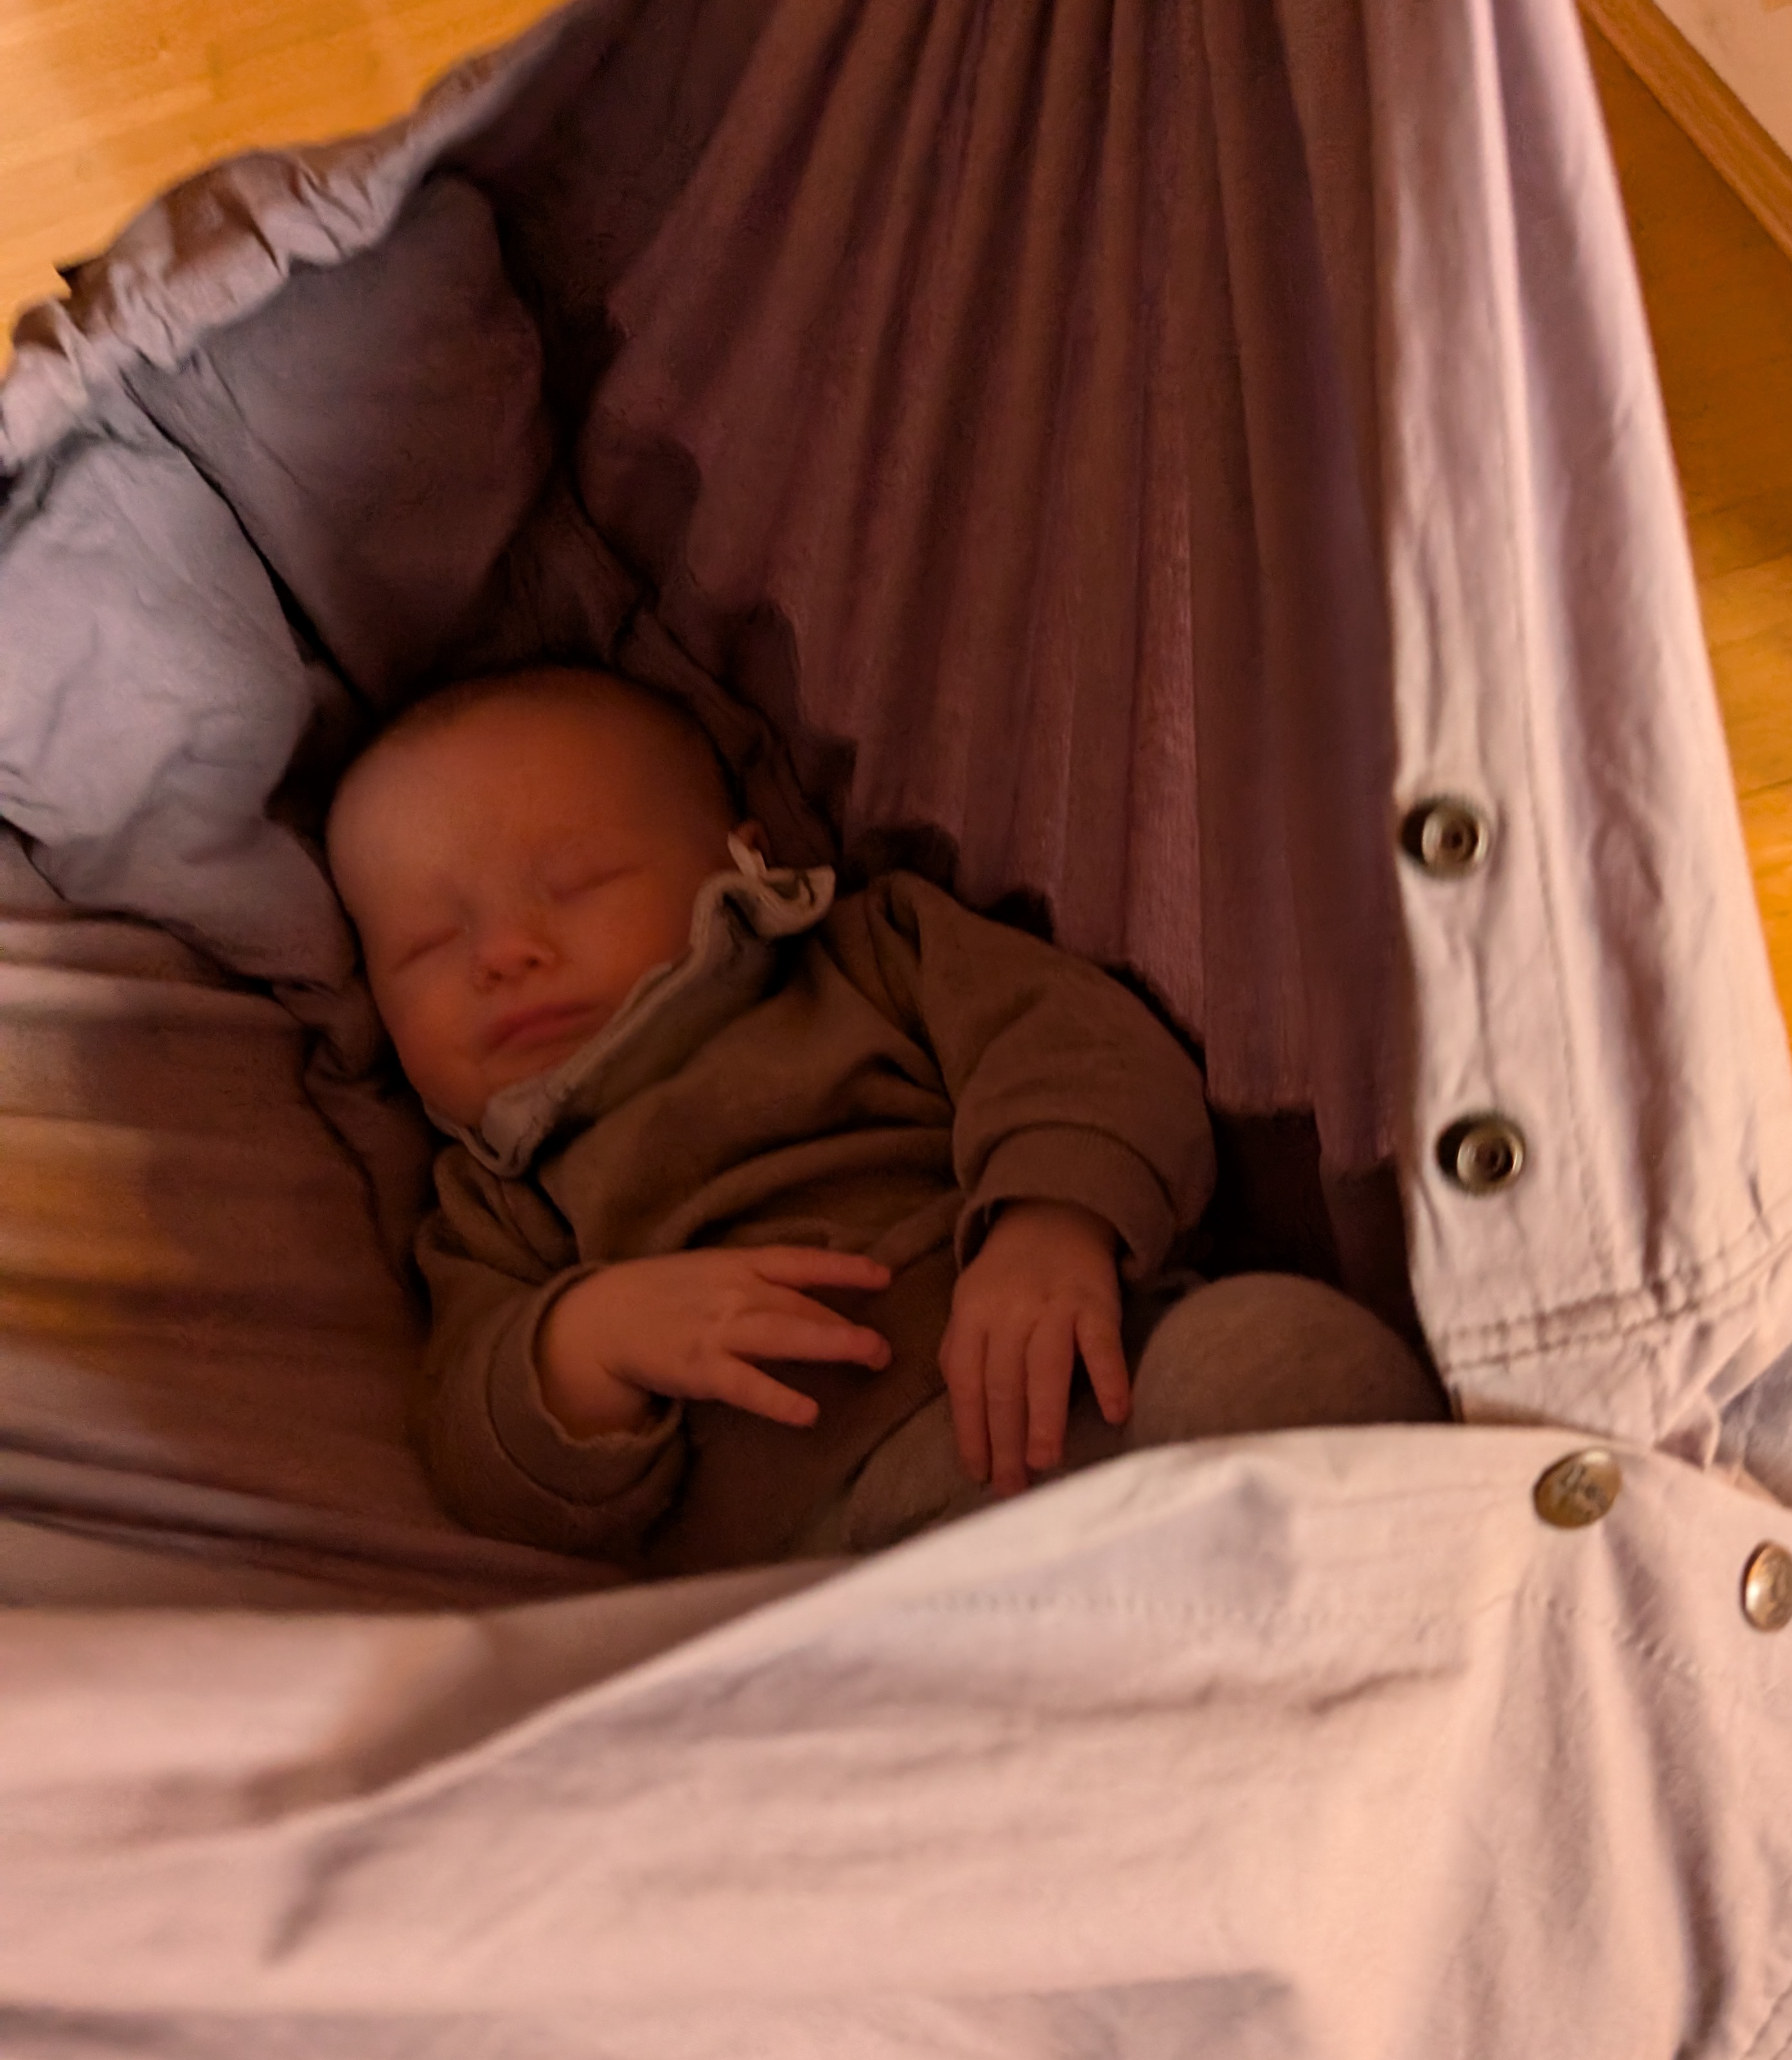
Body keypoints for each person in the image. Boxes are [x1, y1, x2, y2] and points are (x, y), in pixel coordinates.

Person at [326, 665, 1444, 1568]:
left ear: (744, 858)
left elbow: (1077, 1047)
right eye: (427, 945)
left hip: (1099, 1396)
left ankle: (1402, 1608)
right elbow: (473, 1452)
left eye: (575, 883)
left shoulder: (872, 954)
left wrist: (1050, 1226)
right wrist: (588, 1339)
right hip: (842, 1572)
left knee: (1288, 1358)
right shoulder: (493, 1202)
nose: (504, 956)